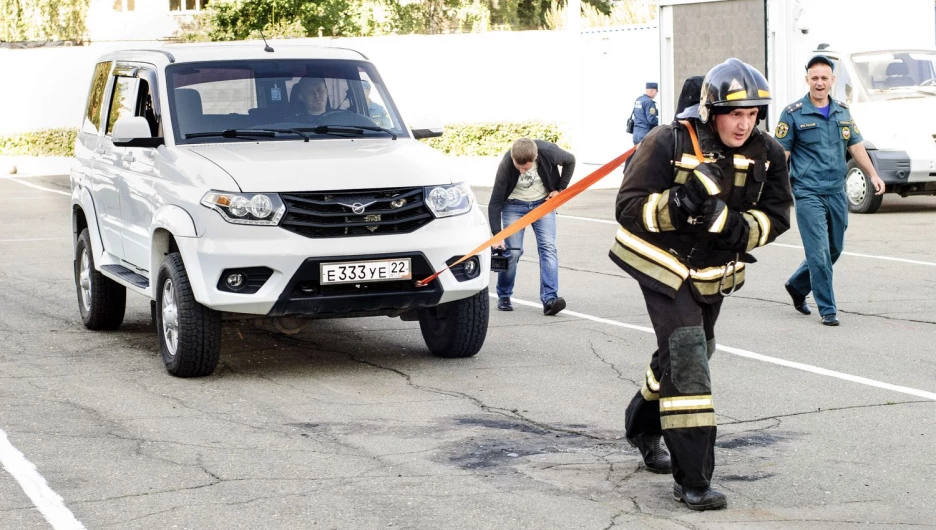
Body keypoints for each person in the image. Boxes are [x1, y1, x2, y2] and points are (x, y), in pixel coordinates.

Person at [610, 58, 793, 511]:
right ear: (712, 111)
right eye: (735, 114)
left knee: (688, 350)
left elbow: (777, 216)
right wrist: (682, 202)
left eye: (752, 114)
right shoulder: (665, 141)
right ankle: (693, 480)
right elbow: (629, 206)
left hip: (712, 271)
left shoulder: (768, 152)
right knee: (690, 356)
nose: (743, 123)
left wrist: (732, 227)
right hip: (660, 261)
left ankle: (641, 426)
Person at [776, 55, 885, 326]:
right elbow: (781, 155)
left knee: (834, 248)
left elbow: (855, 145)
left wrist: (873, 174)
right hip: (808, 192)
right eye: (815, 78)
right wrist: (772, 188)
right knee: (819, 254)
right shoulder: (793, 113)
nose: (820, 83)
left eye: (825, 78)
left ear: (833, 80)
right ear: (807, 80)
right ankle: (828, 309)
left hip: (837, 191)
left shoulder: (842, 110)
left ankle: (798, 286)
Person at [489, 138, 575, 315]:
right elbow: (495, 202)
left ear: (536, 157)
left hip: (542, 204)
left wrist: (560, 189)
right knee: (512, 251)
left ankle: (550, 299)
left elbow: (570, 160)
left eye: (526, 168)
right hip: (513, 206)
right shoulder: (506, 164)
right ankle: (504, 296)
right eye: (518, 166)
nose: (521, 171)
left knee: (548, 248)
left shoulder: (549, 151)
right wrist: (497, 235)